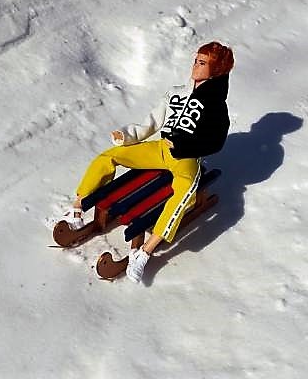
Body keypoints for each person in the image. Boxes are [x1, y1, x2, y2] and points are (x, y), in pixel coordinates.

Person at [69, 41, 234, 283]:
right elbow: (152, 121)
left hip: (185, 158)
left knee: (185, 192)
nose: (195, 66)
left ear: (216, 70)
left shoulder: (216, 106)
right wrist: (126, 136)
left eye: (202, 63)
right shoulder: (176, 92)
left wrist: (185, 147)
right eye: (196, 60)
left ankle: (144, 252)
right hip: (159, 148)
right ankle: (76, 208)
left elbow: (216, 142)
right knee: (109, 156)